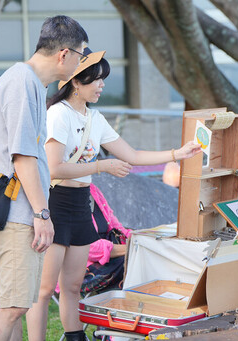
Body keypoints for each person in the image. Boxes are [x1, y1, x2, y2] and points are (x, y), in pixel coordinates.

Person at [25, 48, 202, 341]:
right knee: (43, 291)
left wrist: (177, 153)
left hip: (81, 207)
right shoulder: (58, 114)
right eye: (96, 79)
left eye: (103, 79)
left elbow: (131, 154)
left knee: (72, 286)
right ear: (76, 82)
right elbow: (53, 168)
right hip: (55, 205)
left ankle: (75, 337)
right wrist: (101, 166)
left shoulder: (95, 118)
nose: (102, 85)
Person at [0, 16, 88, 341]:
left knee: (17, 305)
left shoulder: (30, 83)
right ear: (64, 54)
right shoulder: (22, 82)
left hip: (18, 213)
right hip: (15, 214)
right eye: (81, 56)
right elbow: (22, 156)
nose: (81, 64)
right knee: (12, 307)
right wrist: (42, 214)